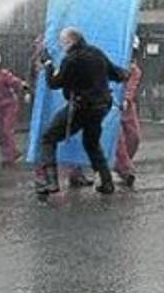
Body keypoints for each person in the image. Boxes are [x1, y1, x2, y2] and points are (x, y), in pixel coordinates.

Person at [36, 27, 128, 195]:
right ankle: (107, 182)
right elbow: (117, 74)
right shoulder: (96, 52)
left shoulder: (71, 59)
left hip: (81, 107)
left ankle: (51, 182)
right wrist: (124, 73)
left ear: (71, 41)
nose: (62, 46)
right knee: (91, 142)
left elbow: (55, 83)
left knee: (48, 138)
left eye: (63, 42)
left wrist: (48, 64)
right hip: (101, 106)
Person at [113, 36, 144, 187]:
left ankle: (121, 165)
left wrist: (126, 99)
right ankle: (125, 169)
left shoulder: (134, 70)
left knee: (134, 137)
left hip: (127, 107)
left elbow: (132, 86)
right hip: (110, 105)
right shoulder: (111, 63)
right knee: (117, 139)